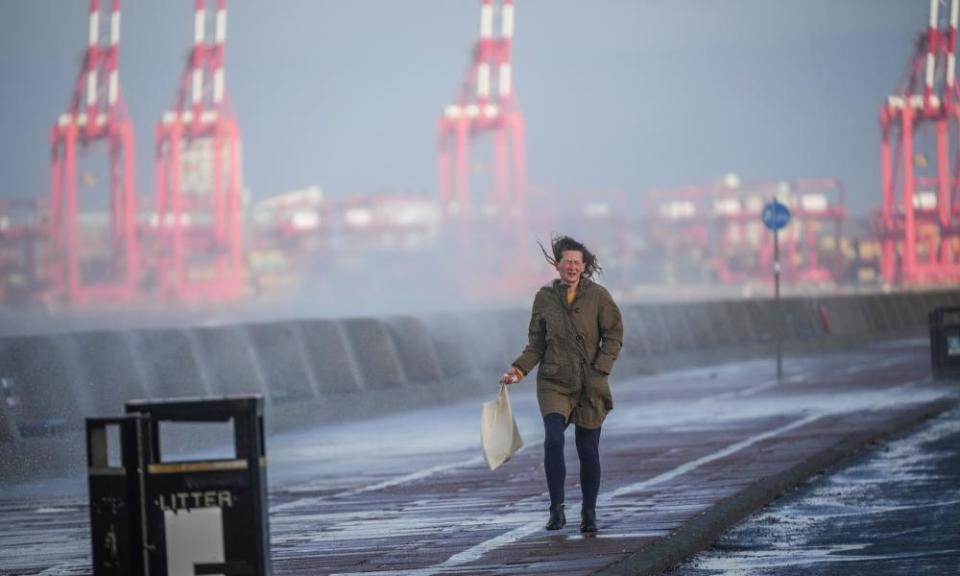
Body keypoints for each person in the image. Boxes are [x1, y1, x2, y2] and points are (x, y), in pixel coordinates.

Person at [500, 235, 623, 533]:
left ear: (584, 266)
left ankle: (589, 512)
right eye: (566, 261)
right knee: (553, 440)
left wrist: (600, 370)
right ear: (557, 264)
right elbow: (536, 344)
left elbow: (614, 337)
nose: (571, 266)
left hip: (589, 384)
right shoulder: (544, 298)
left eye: (576, 262)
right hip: (553, 382)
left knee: (587, 449)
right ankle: (556, 510)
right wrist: (518, 370)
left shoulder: (599, 296)